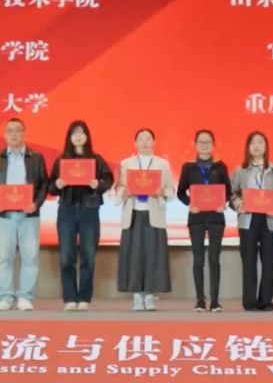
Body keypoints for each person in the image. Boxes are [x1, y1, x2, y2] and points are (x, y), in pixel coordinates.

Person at [48, 120, 114, 311]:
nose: (78, 136)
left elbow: (108, 180)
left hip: (89, 210)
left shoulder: (97, 160)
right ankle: (70, 297)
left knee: (88, 255)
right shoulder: (61, 160)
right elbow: (50, 187)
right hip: (67, 210)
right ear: (69, 137)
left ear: (87, 136)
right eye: (74, 132)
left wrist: (98, 184)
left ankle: (84, 297)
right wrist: (57, 184)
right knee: (66, 255)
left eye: (82, 132)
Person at [0, 117, 48, 312]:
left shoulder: (35, 157)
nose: (14, 134)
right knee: (4, 257)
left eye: (18, 130)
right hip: (5, 216)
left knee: (30, 257)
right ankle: (5, 297)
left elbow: (44, 184)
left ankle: (25, 297)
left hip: (29, 215)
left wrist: (36, 203)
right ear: (5, 135)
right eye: (10, 130)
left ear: (24, 133)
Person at [230, 131, 273, 312]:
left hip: (270, 219)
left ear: (266, 147)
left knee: (269, 260)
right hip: (248, 219)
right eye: (253, 143)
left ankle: (266, 300)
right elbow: (232, 193)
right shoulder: (240, 170)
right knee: (248, 260)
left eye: (260, 142)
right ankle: (249, 301)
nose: (256, 146)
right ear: (248, 147)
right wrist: (238, 203)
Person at [115, 128, 175, 311]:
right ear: (135, 143)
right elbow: (118, 190)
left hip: (153, 214)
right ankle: (136, 296)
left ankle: (149, 295)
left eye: (148, 139)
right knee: (134, 256)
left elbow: (171, 192)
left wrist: (162, 192)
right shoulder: (126, 163)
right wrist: (124, 192)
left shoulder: (162, 164)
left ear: (154, 142)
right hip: (133, 214)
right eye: (141, 139)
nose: (144, 142)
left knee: (152, 255)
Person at [176, 129, 232, 312]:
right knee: (198, 259)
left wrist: (223, 203)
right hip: (196, 218)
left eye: (208, 142)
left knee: (214, 259)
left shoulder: (220, 167)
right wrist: (190, 204)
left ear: (213, 144)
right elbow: (180, 192)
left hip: (216, 218)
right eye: (201, 142)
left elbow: (228, 191)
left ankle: (215, 301)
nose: (205, 145)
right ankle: (200, 300)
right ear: (195, 145)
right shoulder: (188, 167)